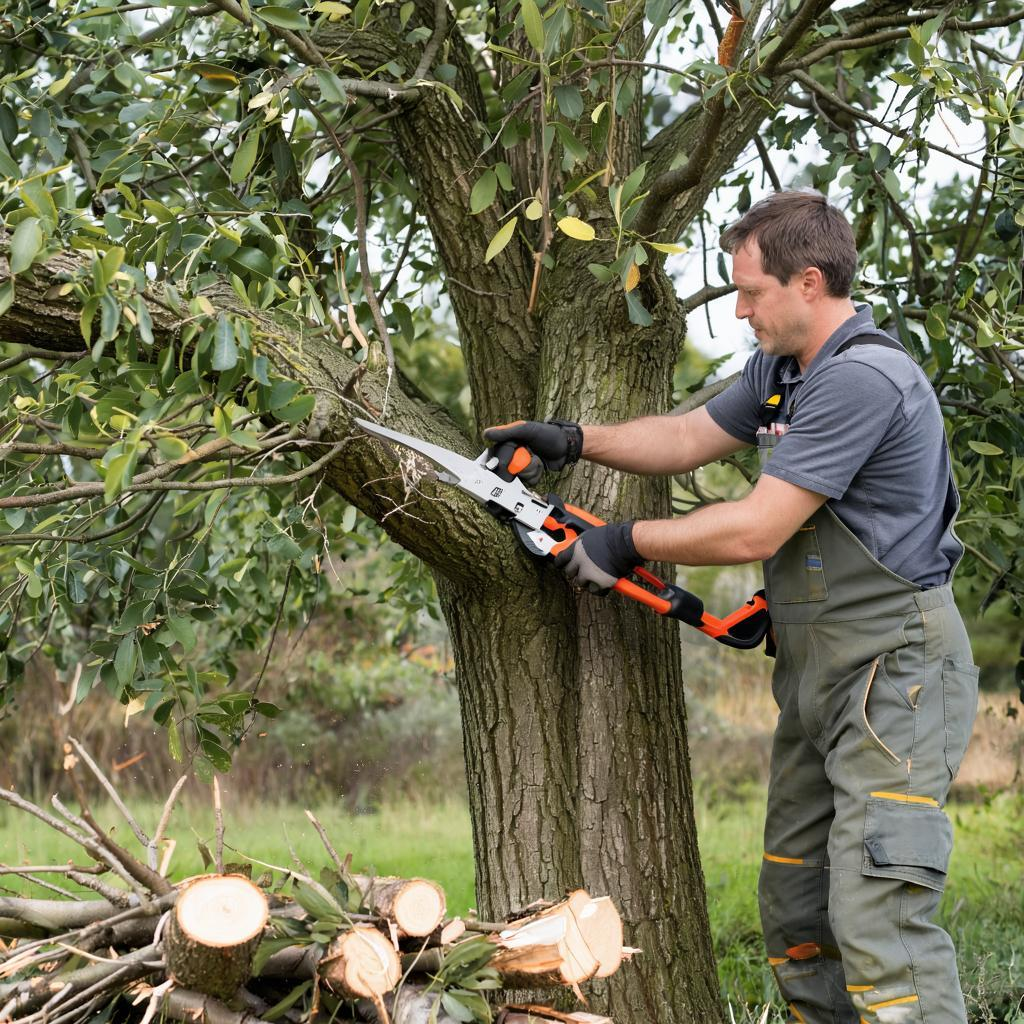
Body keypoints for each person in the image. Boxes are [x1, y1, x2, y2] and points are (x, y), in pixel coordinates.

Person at [483, 190, 979, 1024]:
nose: (740, 310)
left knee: (879, 918)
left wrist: (624, 541)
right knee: (797, 915)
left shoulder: (862, 377)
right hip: (820, 682)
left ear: (809, 282)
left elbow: (756, 526)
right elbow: (684, 439)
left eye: (751, 292)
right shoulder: (783, 373)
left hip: (896, 680)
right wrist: (573, 437)